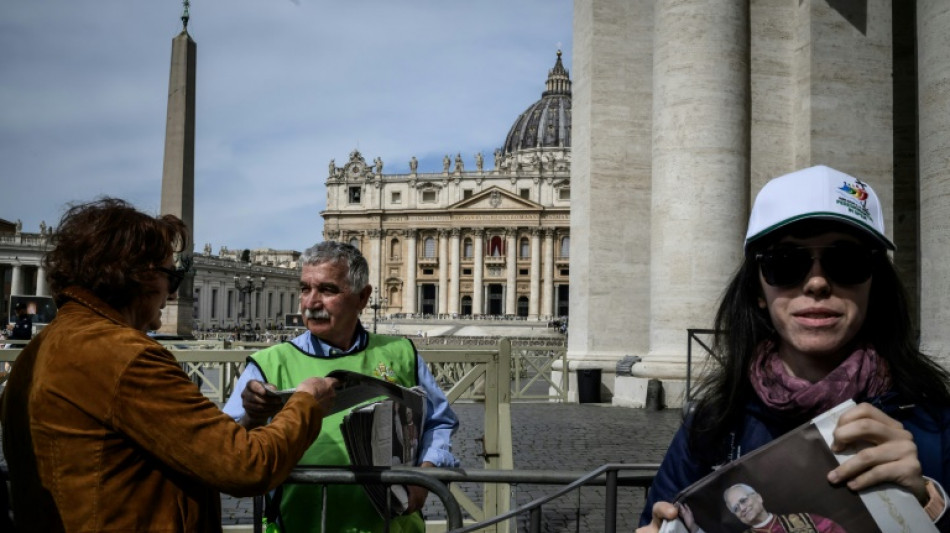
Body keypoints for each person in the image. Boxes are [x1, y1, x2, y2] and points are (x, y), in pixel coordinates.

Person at [638, 166, 950, 532]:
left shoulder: (936, 422)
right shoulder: (712, 425)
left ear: (874, 284)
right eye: (785, 263)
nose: (817, 282)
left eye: (846, 261)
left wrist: (928, 504)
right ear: (757, 290)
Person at [0, 198, 338, 532]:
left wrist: (250, 417)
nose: (173, 294)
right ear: (137, 276)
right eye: (171, 277)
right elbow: (246, 465)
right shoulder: (126, 356)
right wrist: (306, 403)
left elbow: (168, 439)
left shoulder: (39, 349)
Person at [223, 241, 459, 533]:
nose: (311, 302)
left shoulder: (402, 352)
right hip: (298, 526)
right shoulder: (268, 363)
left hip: (394, 526)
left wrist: (426, 474)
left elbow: (439, 422)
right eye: (305, 289)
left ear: (363, 297)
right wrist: (253, 416)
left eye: (327, 290)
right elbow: (228, 450)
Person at [723, 483, 846, 533]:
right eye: (736, 509)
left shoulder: (803, 519)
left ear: (759, 497)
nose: (742, 508)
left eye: (743, 500)